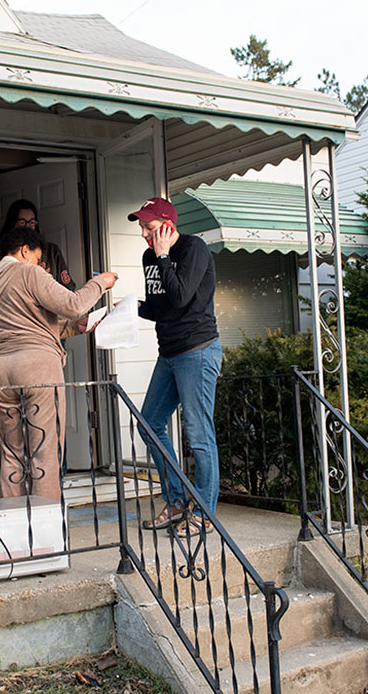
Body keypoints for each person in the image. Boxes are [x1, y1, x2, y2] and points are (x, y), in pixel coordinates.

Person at [0, 227, 116, 501]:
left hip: (1, 369)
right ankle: (45, 527)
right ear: (24, 250)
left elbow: (32, 323)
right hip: (37, 367)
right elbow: (74, 303)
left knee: (11, 451)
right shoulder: (28, 273)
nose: (41, 265)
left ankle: (13, 523)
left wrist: (77, 327)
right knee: (45, 450)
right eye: (38, 258)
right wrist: (100, 283)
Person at [130, 197, 221, 537]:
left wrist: (164, 254)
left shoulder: (193, 249)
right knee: (150, 423)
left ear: (168, 225)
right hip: (168, 352)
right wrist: (129, 307)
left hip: (197, 351)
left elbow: (181, 296)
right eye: (142, 228)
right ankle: (178, 501)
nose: (144, 235)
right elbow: (160, 306)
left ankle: (205, 513)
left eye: (150, 228)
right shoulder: (148, 257)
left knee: (199, 435)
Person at [0, 199, 75, 289]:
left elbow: (67, 288)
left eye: (32, 222)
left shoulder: (51, 251)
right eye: (22, 222)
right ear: (13, 224)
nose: (28, 226)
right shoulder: (0, 255)